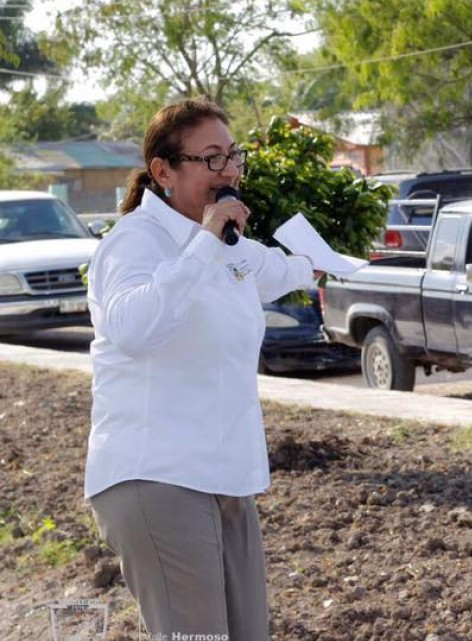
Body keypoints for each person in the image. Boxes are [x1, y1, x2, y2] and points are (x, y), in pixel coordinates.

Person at [84, 98, 317, 640]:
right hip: (157, 475)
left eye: (232, 155)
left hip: (226, 476)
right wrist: (207, 244)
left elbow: (282, 268)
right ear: (163, 171)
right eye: (212, 158)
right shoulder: (134, 244)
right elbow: (133, 327)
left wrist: (328, 263)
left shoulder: (226, 246)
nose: (230, 170)